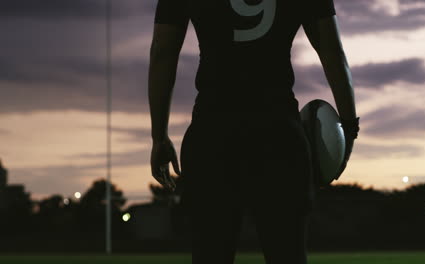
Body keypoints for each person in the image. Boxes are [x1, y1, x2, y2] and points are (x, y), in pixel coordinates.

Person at [148, 0, 360, 263]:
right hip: (278, 134)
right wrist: (348, 128)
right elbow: (332, 52)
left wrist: (159, 136)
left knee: (210, 253)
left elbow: (163, 52)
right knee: (287, 253)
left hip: (213, 133)